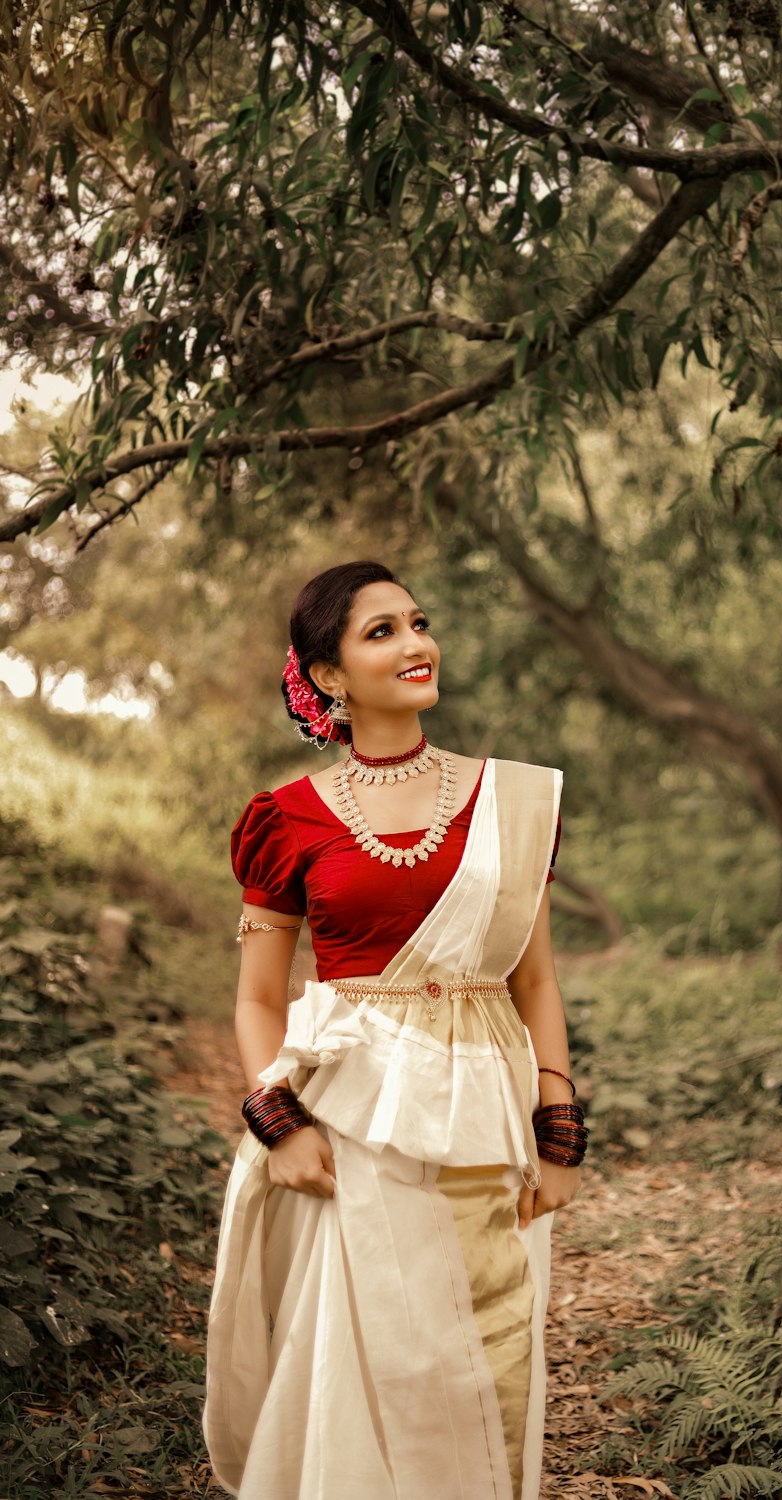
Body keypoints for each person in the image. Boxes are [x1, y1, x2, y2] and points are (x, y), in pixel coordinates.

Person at [202, 560, 586, 1500]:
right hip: (351, 1117)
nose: (416, 645)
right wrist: (274, 1122)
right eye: (382, 632)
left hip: (483, 1109)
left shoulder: (510, 804)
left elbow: (533, 978)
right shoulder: (286, 820)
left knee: (485, 1348)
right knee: (374, 1354)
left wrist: (561, 1123)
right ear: (327, 675)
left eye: (418, 623)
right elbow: (258, 997)